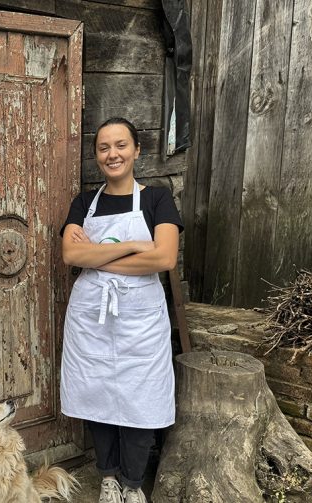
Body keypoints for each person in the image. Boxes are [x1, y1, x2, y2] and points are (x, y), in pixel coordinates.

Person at [59, 117, 183, 503]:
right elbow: (69, 254)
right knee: (95, 392)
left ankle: (133, 484)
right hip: (91, 315)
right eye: (103, 147)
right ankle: (108, 478)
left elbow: (164, 257)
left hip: (140, 318)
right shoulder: (83, 202)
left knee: (140, 396)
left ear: (136, 150)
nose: (112, 154)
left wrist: (95, 258)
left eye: (121, 145)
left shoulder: (157, 197)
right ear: (96, 155)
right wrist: (134, 248)